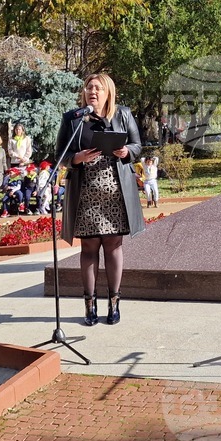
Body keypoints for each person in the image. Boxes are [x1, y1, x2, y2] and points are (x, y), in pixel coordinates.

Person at [54, 73, 143, 326]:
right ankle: (89, 305)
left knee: (113, 246)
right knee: (89, 248)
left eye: (98, 88)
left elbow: (138, 146)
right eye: (88, 87)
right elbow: (61, 154)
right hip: (85, 192)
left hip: (116, 192)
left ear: (108, 92)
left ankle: (114, 304)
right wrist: (76, 158)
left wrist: (126, 151)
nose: (92, 91)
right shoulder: (73, 119)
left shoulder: (123, 114)